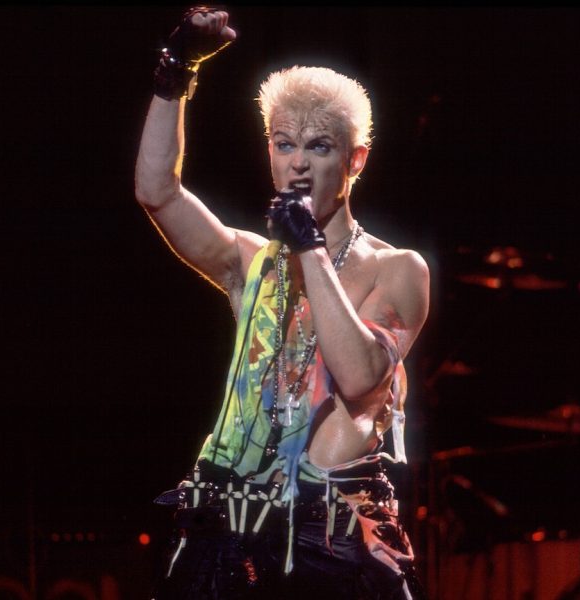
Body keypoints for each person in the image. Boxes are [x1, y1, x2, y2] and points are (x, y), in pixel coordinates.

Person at [134, 7, 430, 600]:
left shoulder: (398, 269)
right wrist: (175, 73)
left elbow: (359, 376)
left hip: (333, 542)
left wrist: (310, 249)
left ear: (355, 160)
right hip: (232, 535)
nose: (297, 163)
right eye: (284, 144)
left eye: (319, 147)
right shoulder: (251, 262)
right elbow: (157, 191)